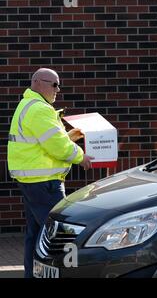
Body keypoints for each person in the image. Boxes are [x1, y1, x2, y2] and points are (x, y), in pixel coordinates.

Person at [7, 68, 94, 278]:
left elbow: (47, 142)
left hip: (32, 181)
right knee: (60, 235)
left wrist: (68, 137)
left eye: (58, 84)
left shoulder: (29, 105)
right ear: (37, 82)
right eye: (54, 84)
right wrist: (80, 157)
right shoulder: (39, 109)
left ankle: (33, 275)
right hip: (44, 183)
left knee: (35, 234)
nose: (58, 89)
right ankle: (62, 274)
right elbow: (57, 146)